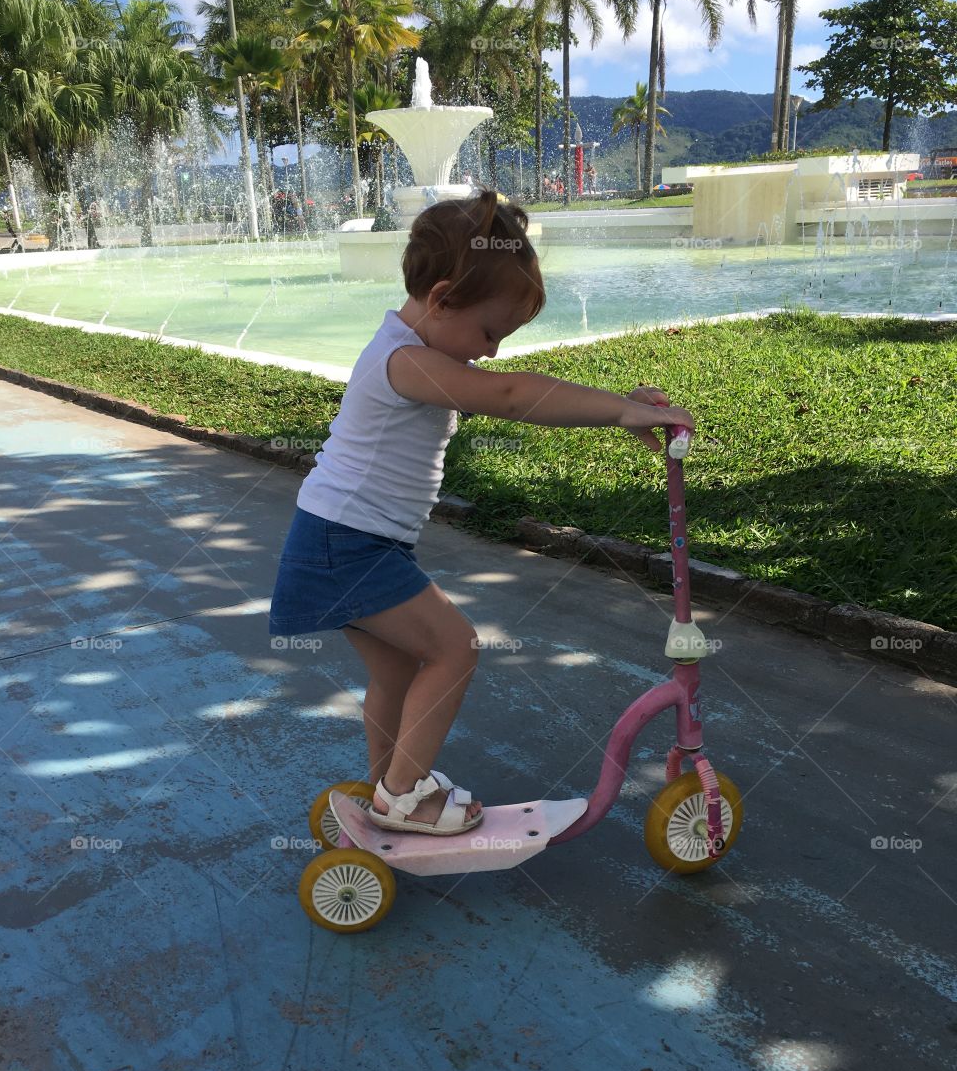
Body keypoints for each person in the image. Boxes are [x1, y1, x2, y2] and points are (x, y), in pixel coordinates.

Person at [268, 187, 693, 836]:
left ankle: (391, 791)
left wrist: (616, 398)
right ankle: (403, 798)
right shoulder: (407, 362)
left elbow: (509, 383)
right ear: (440, 299)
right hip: (345, 545)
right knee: (455, 649)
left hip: (340, 541)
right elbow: (513, 395)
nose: (491, 349)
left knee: (399, 671)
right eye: (489, 332)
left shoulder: (411, 349)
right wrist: (618, 410)